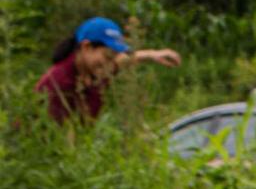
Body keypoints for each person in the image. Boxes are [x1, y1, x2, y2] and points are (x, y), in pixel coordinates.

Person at [34, 18, 181, 125]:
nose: (111, 64)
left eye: (114, 57)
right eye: (107, 56)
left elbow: (122, 60)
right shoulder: (60, 84)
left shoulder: (94, 70)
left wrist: (152, 54)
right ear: (86, 47)